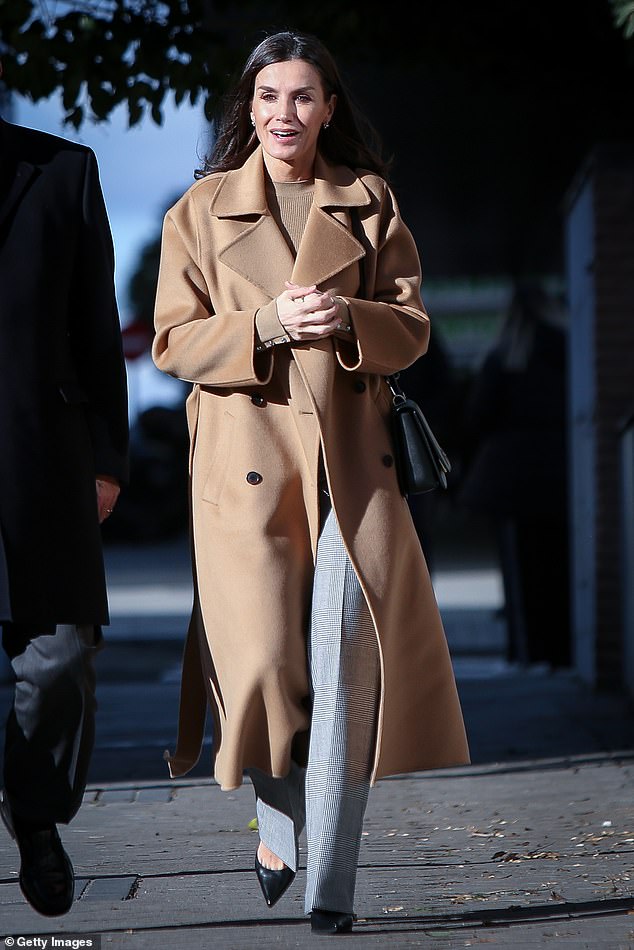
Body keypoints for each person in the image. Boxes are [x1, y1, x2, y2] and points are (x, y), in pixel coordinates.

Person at [153, 31, 468, 935]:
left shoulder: (366, 199)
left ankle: (331, 884)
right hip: (246, 471)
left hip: (349, 471)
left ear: (329, 107)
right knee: (264, 673)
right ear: (246, 110)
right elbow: (173, 341)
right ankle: (278, 818)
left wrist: (351, 315)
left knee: (345, 662)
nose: (283, 114)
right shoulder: (200, 210)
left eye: (301, 97)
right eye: (266, 98)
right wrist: (263, 322)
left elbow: (412, 326)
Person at [0, 84, 129, 917]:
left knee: (58, 667)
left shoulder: (62, 172)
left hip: (40, 463)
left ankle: (39, 819)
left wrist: (107, 460)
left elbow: (96, 328)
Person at [457, 281, 570, 667]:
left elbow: (477, 416)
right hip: (562, 473)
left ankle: (527, 652)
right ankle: (563, 650)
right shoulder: (569, 350)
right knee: (561, 565)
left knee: (522, 572)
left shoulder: (504, 357)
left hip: (512, 477)